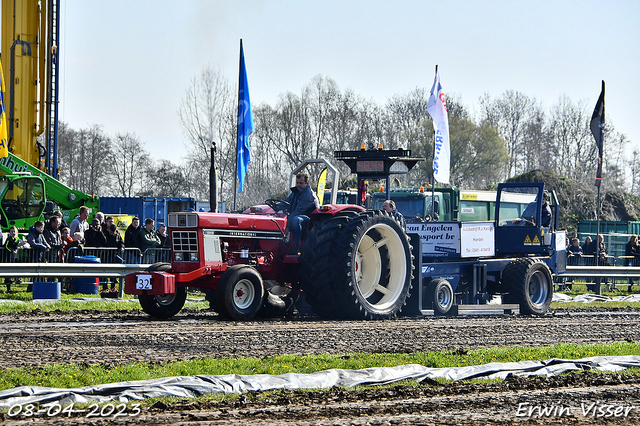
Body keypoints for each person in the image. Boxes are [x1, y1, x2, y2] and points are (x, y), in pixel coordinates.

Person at [275, 172, 320, 255]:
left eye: (301, 183)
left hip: (310, 221)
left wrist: (287, 228)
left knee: (295, 220)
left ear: (307, 183)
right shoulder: (296, 192)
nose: (298, 185)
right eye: (297, 183)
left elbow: (297, 211)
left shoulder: (308, 195)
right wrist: (275, 206)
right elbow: (286, 202)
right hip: (298, 215)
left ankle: (295, 247)